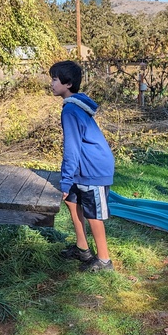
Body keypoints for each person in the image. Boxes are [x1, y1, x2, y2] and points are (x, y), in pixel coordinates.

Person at [49, 60, 116, 272]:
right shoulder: (75, 105)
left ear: (67, 84)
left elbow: (72, 148)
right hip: (83, 165)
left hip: (93, 169)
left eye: (54, 79)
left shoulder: (70, 110)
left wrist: (66, 180)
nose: (51, 83)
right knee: (71, 200)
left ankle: (104, 260)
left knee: (93, 214)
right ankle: (82, 248)